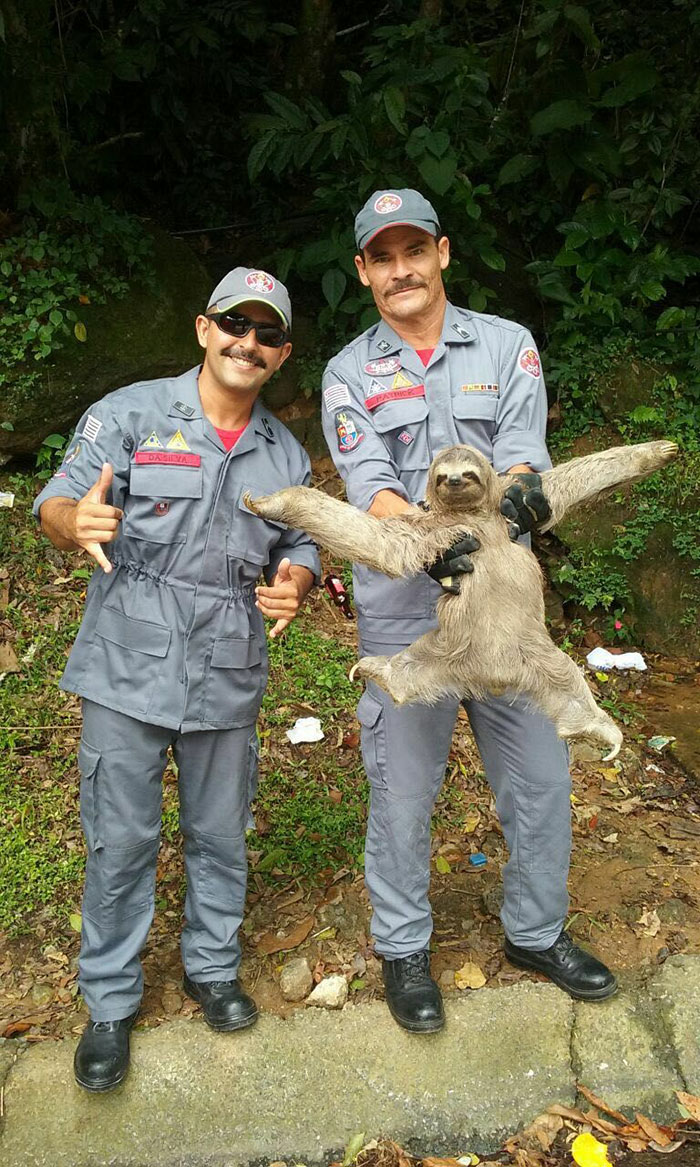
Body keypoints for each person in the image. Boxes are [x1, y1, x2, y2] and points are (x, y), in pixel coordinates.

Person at [320, 189, 617, 1033]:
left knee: (539, 777)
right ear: (364, 271)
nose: (401, 269)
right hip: (403, 611)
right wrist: (421, 538)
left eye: (415, 250)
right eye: (384, 256)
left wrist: (516, 505)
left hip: (505, 616)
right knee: (404, 788)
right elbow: (368, 481)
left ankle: (535, 931)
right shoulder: (350, 372)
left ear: (442, 254)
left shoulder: (506, 345)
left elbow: (524, 459)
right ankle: (406, 949)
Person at [35, 268, 320, 1090]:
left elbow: (298, 540)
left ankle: (212, 967)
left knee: (219, 832)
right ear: (204, 329)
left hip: (227, 662)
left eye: (267, 333)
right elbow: (57, 500)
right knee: (121, 839)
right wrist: (73, 520)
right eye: (236, 323)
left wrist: (297, 579)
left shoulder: (285, 451)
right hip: (129, 659)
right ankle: (112, 1001)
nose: (249, 342)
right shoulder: (130, 414)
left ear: (282, 354)